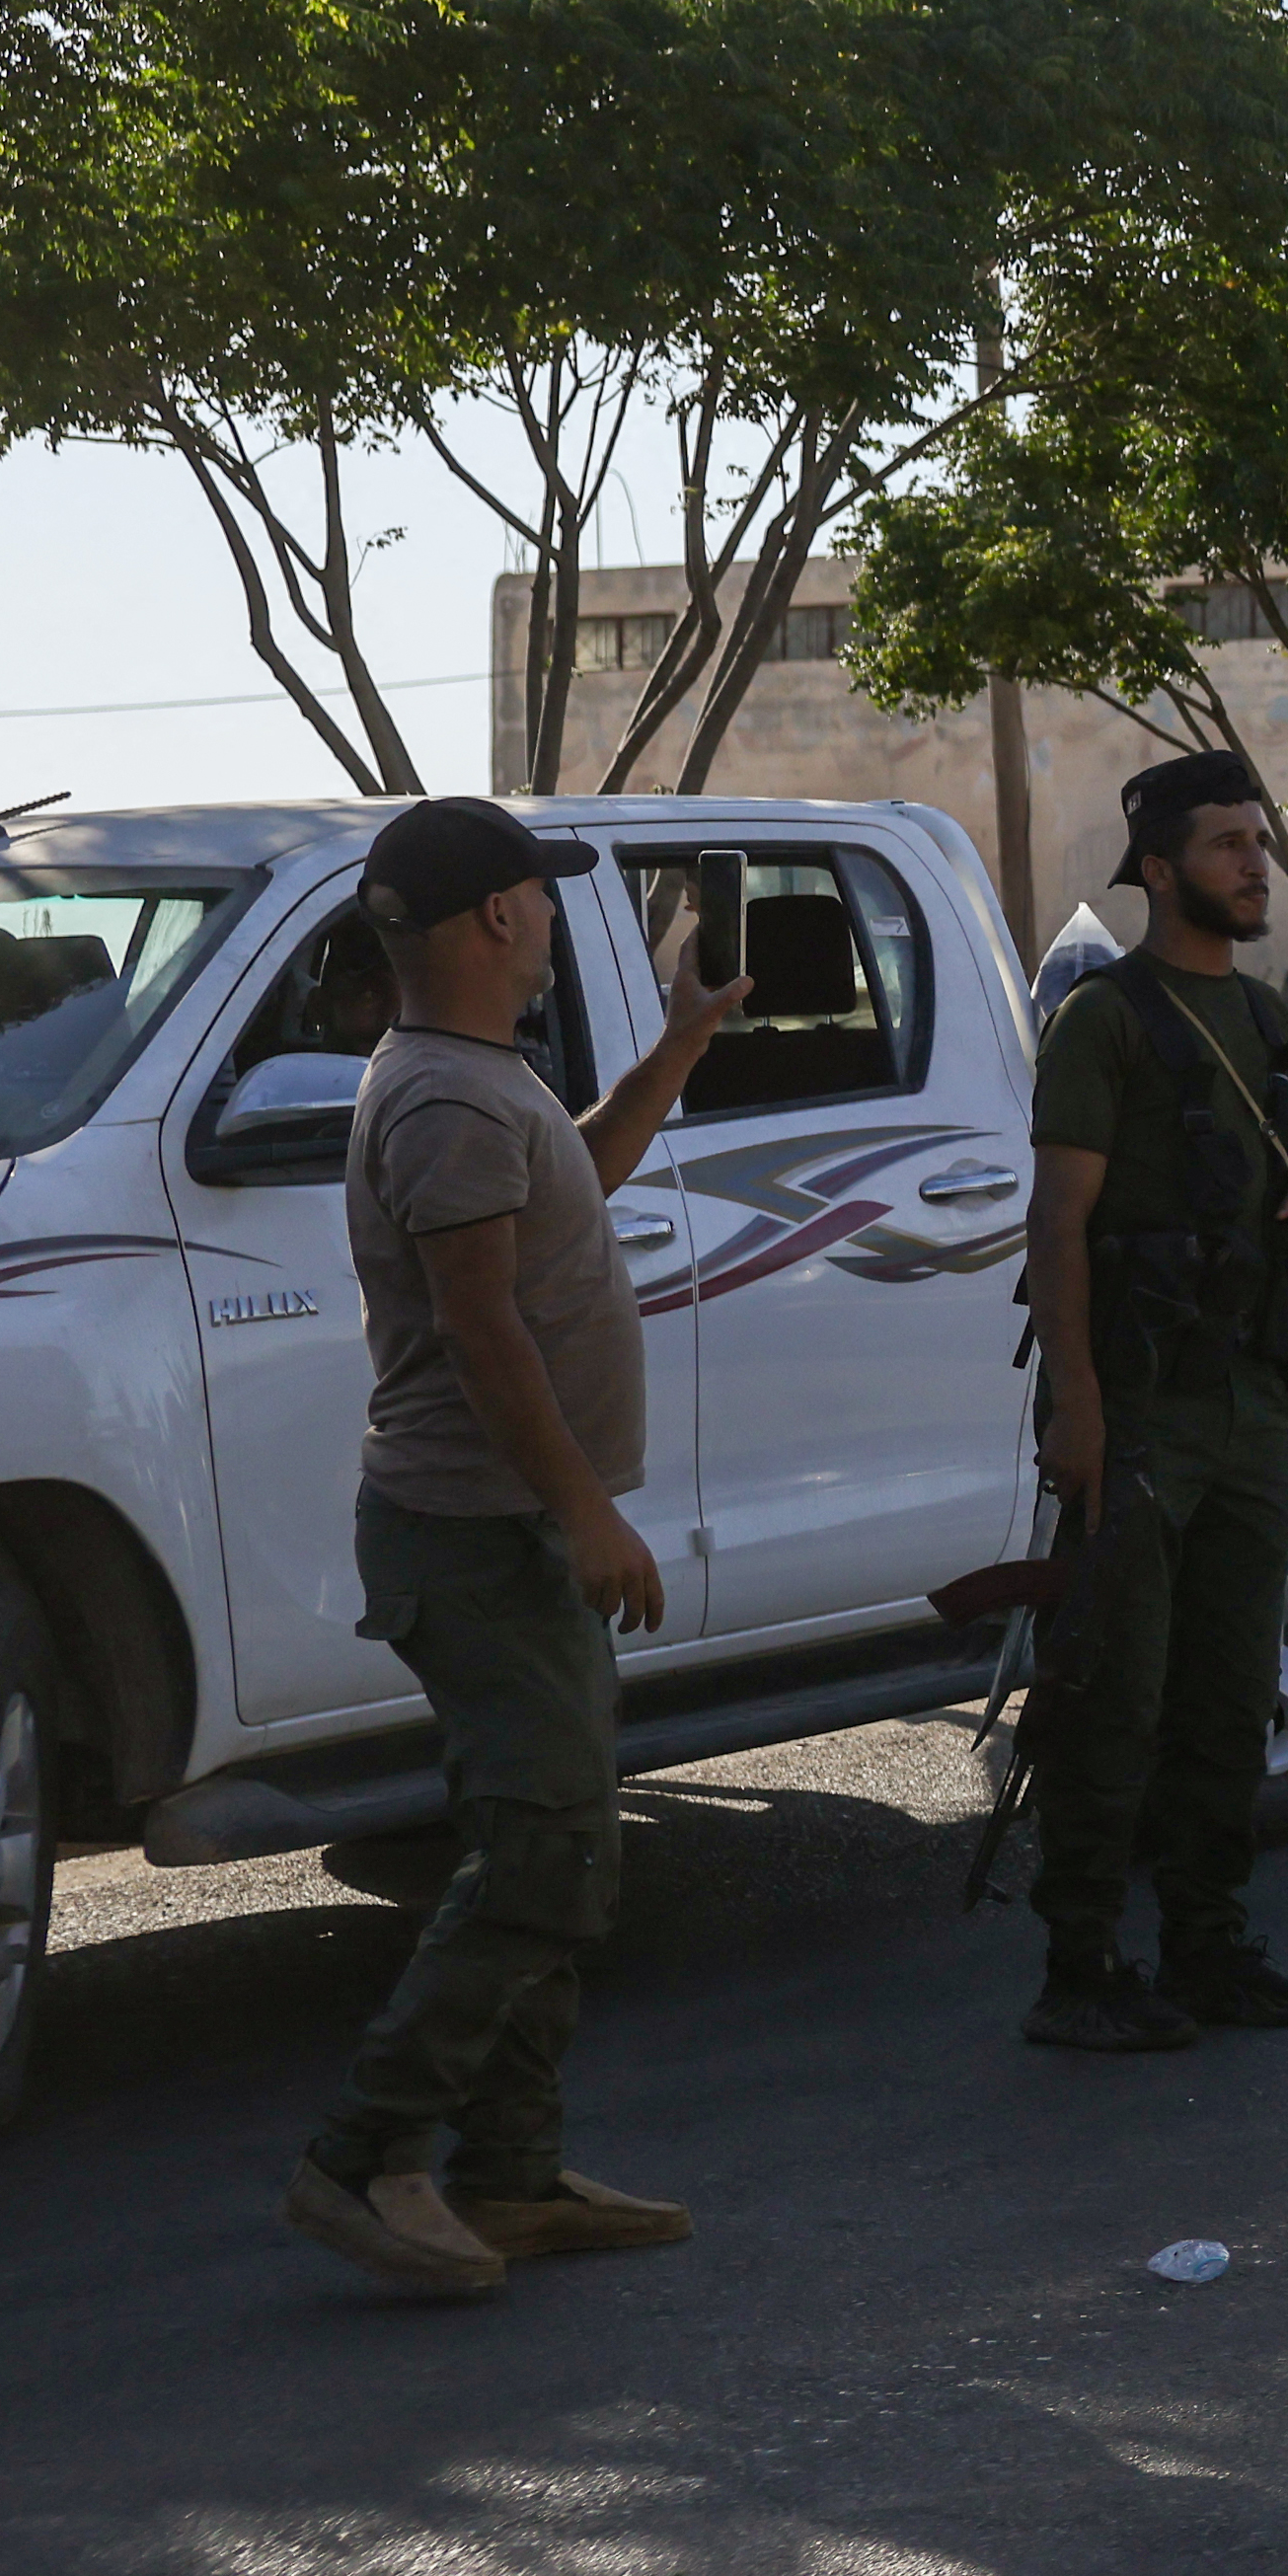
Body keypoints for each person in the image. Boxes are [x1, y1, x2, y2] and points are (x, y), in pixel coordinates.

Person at [286, 796, 744, 2300]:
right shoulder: (443, 1100)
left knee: (558, 1845)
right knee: (544, 1851)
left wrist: (676, 1048)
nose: (553, 918)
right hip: (477, 1539)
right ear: (495, 919)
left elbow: (572, 1196)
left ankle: (510, 2174)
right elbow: (482, 1329)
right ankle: (368, 2154)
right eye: (538, 899)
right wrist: (584, 1509)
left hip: (504, 1537)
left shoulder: (483, 1082)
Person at [1013, 751, 1288, 2055]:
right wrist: (1080, 1406)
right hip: (1141, 1409)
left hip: (1248, 1402)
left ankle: (1207, 1946)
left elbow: (1284, 1159)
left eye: (1258, 845)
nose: (1254, 867)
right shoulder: (1104, 1020)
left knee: (1229, 1692)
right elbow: (1058, 1220)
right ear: (1158, 870)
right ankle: (1082, 1963)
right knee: (1117, 1689)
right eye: (1225, 846)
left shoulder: (1265, 1020)